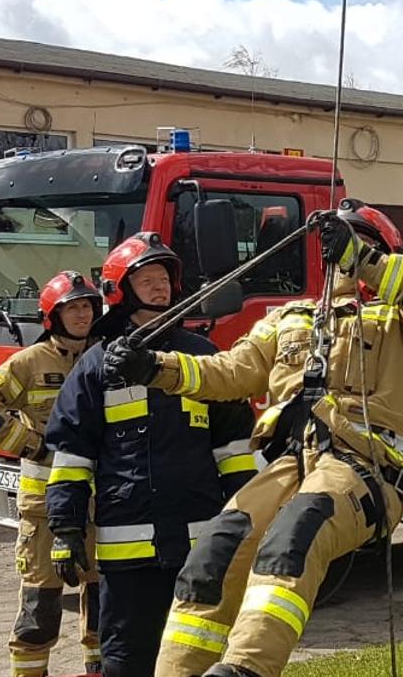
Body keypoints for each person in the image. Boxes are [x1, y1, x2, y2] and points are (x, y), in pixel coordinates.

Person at [106, 201, 403, 677]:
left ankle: (245, 670)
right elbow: (229, 371)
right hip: (292, 463)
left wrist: (364, 258)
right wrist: (155, 368)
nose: (343, 256)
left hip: (366, 470)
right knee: (214, 551)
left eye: (359, 244)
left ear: (385, 254)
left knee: (294, 537)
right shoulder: (291, 318)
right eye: (339, 246)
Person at [46, 232, 258, 677]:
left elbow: (235, 447)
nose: (160, 286)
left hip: (201, 546)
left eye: (164, 278)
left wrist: (248, 520)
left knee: (205, 655)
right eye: (147, 279)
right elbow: (72, 455)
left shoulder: (204, 359)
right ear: (121, 291)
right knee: (127, 659)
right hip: (129, 557)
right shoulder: (98, 365)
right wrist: (65, 530)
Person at [0, 270, 106, 677]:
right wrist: (31, 444)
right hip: (44, 510)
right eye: (72, 308)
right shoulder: (30, 361)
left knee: (103, 599)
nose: (81, 316)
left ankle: (98, 669)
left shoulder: (105, 355)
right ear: (52, 316)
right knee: (41, 603)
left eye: (87, 307)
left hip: (100, 503)